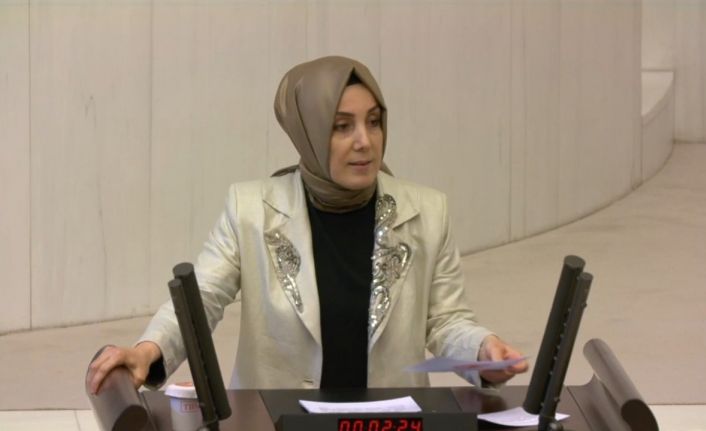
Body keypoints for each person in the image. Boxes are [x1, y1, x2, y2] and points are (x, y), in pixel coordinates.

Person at [88, 55, 528, 394]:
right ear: (309, 131)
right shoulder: (251, 209)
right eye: (342, 126)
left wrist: (482, 350)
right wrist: (147, 350)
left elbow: (445, 320)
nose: (365, 141)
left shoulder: (427, 211)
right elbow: (202, 298)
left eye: (374, 122)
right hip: (276, 421)